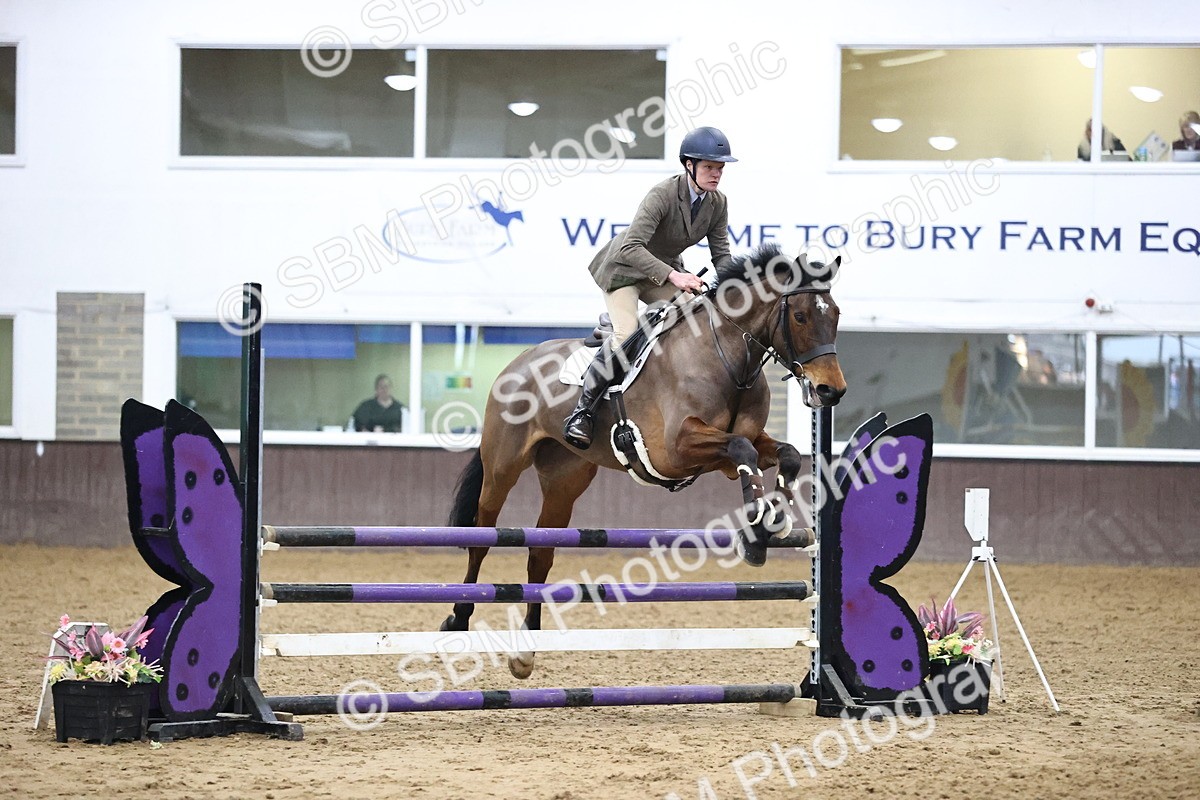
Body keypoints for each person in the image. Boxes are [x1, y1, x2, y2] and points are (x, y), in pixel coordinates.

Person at [562, 126, 738, 450]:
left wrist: (734, 291)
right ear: (689, 165)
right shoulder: (662, 194)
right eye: (710, 167)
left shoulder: (717, 203)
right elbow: (631, 247)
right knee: (627, 334)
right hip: (625, 270)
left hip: (663, 272)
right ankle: (582, 411)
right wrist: (675, 276)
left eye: (720, 168)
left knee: (696, 315)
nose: (716, 174)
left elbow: (722, 255)